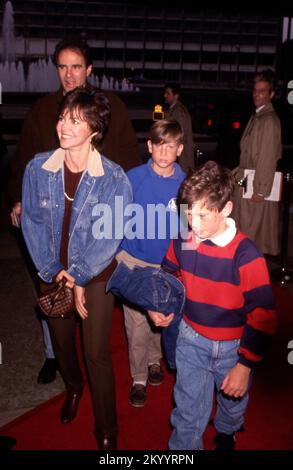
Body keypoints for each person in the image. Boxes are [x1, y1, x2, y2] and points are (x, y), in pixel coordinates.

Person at [9, 36, 140, 385]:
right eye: (62, 67)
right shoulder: (41, 111)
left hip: (95, 230)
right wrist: (18, 199)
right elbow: (25, 160)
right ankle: (56, 357)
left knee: (94, 329)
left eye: (76, 67)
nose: (69, 74)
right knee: (51, 296)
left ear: (89, 69)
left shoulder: (110, 107)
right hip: (51, 227)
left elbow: (128, 164)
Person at [21, 87, 133, 450]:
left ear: (94, 129)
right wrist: (56, 270)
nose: (63, 126)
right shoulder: (38, 167)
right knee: (62, 342)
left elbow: (111, 235)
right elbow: (33, 224)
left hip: (95, 271)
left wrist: (80, 275)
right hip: (52, 270)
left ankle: (107, 429)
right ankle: (73, 387)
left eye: (74, 120)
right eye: (62, 118)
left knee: (96, 351)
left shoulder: (114, 178)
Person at [148, 160, 277, 450]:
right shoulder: (186, 238)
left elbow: (263, 316)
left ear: (227, 209)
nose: (192, 223)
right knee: (187, 411)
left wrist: (245, 365)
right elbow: (168, 273)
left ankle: (227, 430)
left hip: (235, 346)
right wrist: (160, 304)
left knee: (233, 401)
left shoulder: (247, 255)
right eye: (188, 213)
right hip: (191, 339)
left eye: (203, 215)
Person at [116, 120, 186, 407]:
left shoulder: (185, 183)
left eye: (170, 146)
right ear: (149, 146)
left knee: (161, 318)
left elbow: (185, 227)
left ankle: (156, 361)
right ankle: (139, 378)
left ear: (180, 149)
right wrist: (118, 255)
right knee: (136, 325)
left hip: (167, 265)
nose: (164, 152)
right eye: (159, 145)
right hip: (135, 260)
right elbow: (117, 217)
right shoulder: (132, 178)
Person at [232, 69, 282, 256]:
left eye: (262, 91)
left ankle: (249, 276)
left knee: (252, 234)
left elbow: (268, 156)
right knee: (247, 233)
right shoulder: (259, 117)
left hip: (255, 185)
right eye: (255, 90)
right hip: (247, 180)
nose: (257, 94)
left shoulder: (268, 120)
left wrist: (260, 189)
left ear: (271, 94)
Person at [163, 83, 194, 172]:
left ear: (176, 96)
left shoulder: (179, 111)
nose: (165, 95)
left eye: (168, 93)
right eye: (165, 93)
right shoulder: (174, 110)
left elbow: (181, 135)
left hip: (181, 159)